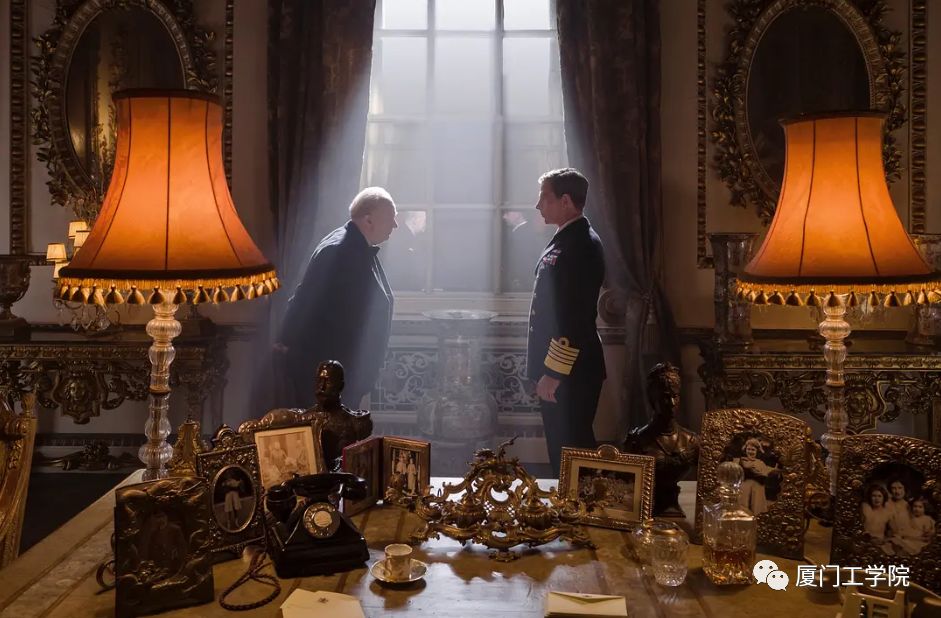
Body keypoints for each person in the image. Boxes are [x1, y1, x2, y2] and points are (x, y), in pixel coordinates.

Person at [277, 187, 397, 408]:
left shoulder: (352, 244)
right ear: (368, 220)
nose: (395, 225)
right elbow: (307, 299)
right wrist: (287, 338)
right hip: (329, 373)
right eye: (390, 218)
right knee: (327, 428)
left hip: (341, 370)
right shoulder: (341, 249)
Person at [526, 168, 606, 477]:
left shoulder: (583, 244)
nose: (538, 205)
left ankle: (581, 505)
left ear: (566, 201)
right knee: (563, 453)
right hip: (562, 369)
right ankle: (570, 503)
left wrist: (554, 372)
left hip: (570, 370)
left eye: (544, 198)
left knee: (573, 453)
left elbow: (575, 315)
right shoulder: (566, 239)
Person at [623, 362, 700, 516]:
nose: (671, 403)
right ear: (653, 399)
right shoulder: (637, 441)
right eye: (665, 397)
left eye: (675, 396)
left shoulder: (692, 441)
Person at [733, 438, 779, 515]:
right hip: (745, 487)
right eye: (748, 449)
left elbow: (766, 470)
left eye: (753, 450)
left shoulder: (760, 463)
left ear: (757, 451)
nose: (750, 452)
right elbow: (742, 469)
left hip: (758, 488)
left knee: (757, 507)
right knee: (744, 507)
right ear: (745, 450)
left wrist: (772, 471)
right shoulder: (741, 461)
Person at [861, 484, 894, 554]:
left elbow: (891, 531)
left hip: (881, 542)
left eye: (879, 496)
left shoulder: (887, 512)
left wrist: (885, 540)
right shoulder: (865, 509)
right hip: (866, 542)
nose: (877, 499)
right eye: (874, 496)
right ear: (870, 497)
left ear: (883, 498)